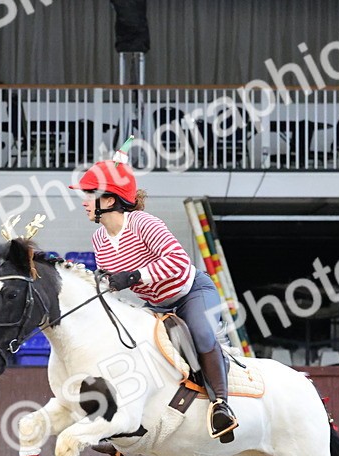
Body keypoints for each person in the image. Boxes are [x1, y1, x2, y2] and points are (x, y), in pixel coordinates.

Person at [70, 156, 238, 439]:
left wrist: (134, 276)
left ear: (109, 200)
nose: (84, 202)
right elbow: (111, 281)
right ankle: (125, 421)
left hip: (190, 292)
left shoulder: (144, 223)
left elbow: (177, 262)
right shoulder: (99, 239)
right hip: (156, 305)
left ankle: (221, 405)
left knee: (201, 334)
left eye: (90, 195)